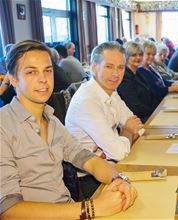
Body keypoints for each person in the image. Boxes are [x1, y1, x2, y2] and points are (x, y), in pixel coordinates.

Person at [0, 40, 137, 219]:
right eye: (31, 72)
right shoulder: (4, 126)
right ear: (13, 79)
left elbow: (88, 159)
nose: (43, 79)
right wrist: (91, 209)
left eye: (48, 70)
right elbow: (9, 210)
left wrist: (118, 179)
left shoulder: (52, 121)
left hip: (69, 210)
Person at [65, 41, 144, 198]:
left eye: (120, 67)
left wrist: (122, 136)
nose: (116, 74)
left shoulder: (110, 91)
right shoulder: (87, 100)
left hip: (115, 167)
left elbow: (139, 128)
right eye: (109, 67)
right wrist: (127, 131)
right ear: (94, 68)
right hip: (91, 181)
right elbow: (119, 152)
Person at [137, 40, 178, 105]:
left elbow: (163, 81)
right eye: (148, 54)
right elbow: (157, 90)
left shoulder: (149, 68)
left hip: (164, 99)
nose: (151, 57)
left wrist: (176, 82)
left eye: (153, 54)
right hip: (158, 104)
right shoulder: (140, 70)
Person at [118, 41, 158, 123]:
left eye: (140, 54)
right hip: (140, 120)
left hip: (149, 115)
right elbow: (135, 106)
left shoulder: (138, 72)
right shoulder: (125, 78)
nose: (138, 58)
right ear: (126, 57)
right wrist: (155, 112)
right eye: (133, 55)